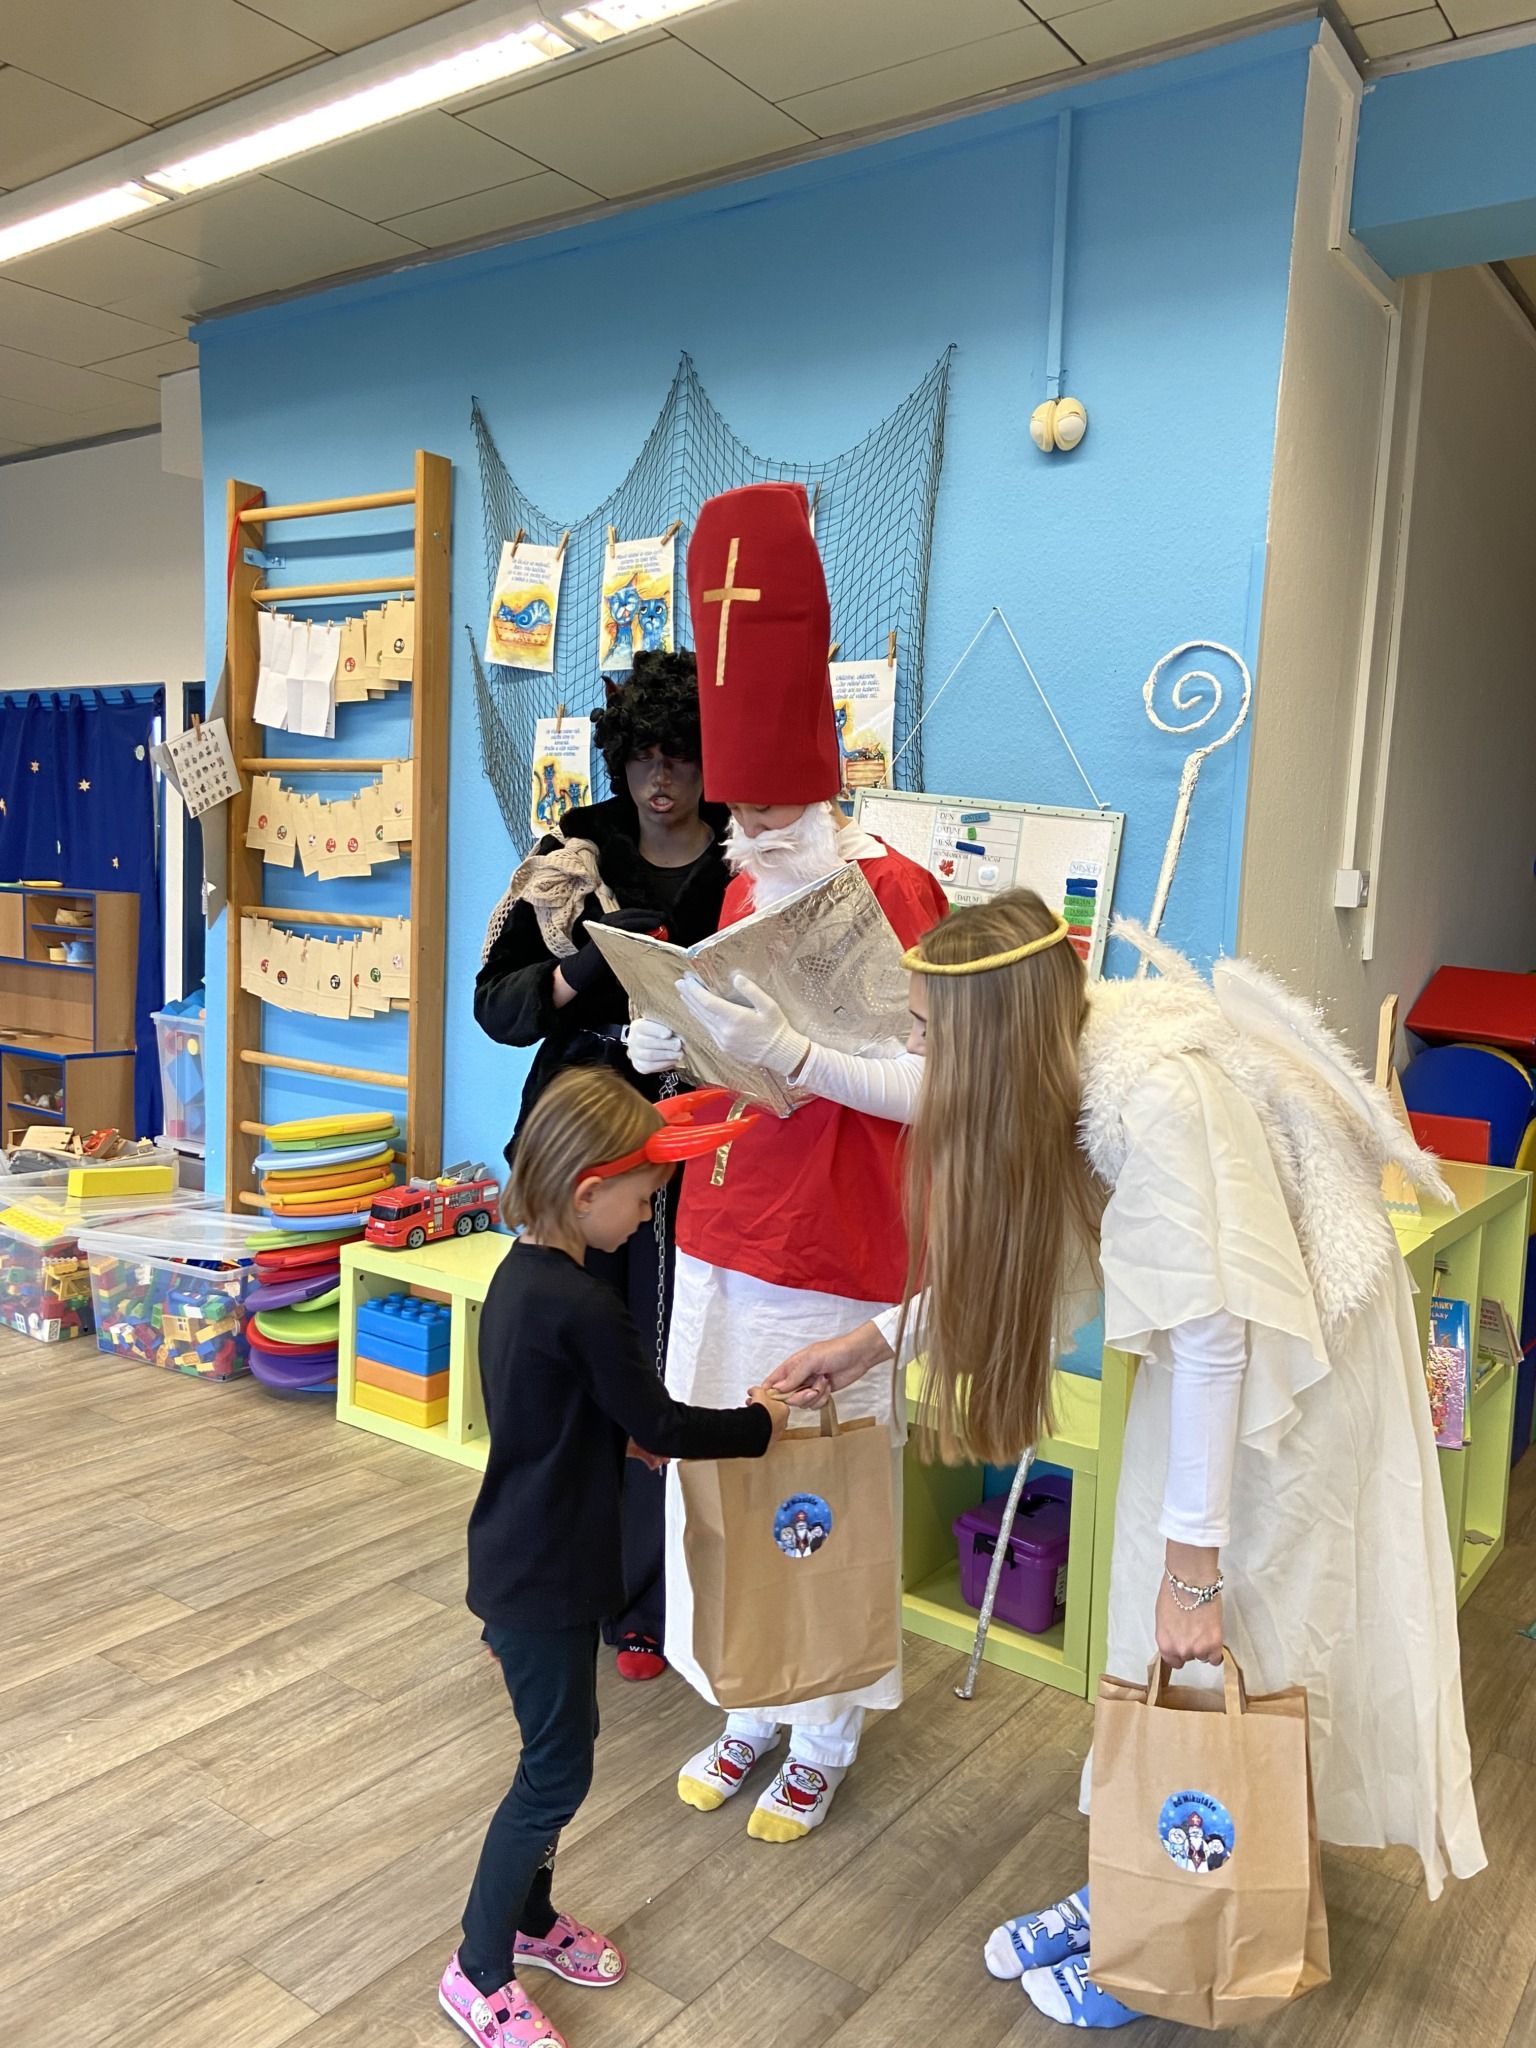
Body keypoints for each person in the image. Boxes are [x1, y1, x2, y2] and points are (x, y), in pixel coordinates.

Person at [765, 889, 1485, 2026]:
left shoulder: (1155, 1095)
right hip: (1215, 1368)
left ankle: (1174, 1933)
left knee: (1228, 1644)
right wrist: (871, 1342)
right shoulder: (1068, 1064)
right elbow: (1047, 1254)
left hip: (1289, 1383)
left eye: (925, 1027)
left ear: (987, 1031)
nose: (914, 1048)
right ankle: (1134, 1887)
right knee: (1162, 1645)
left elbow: (1216, 1334)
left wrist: (1193, 1568)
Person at [626, 481, 947, 1843]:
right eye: (737, 815)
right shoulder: (747, 884)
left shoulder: (902, 892)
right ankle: (746, 1697)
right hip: (722, 1229)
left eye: (770, 813)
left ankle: (823, 1727)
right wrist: (673, 1042)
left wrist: (806, 1059)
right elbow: (737, 1058)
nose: (749, 838)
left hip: (836, 1251)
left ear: (826, 787)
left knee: (815, 1491)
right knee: (719, 1475)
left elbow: (943, 1089)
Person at [440, 1067, 789, 2048]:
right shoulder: (587, 1305)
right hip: (543, 1578)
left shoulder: (519, 1277)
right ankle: (478, 1968)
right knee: (552, 1775)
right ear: (588, 1189)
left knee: (567, 1747)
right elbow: (664, 1423)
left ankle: (531, 1917)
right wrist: (763, 1423)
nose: (646, 1220)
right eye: (642, 1200)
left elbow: (552, 1411)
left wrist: (610, 1437)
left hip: (526, 1555)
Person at [476, 650, 729, 1683]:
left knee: (656, 1372)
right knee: (552, 1374)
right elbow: (498, 1009)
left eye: (683, 756)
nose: (661, 778)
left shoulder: (748, 862)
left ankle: (644, 1603)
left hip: (694, 1152)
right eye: (643, 755)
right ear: (619, 757)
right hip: (578, 1148)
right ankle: (549, 1583)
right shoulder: (570, 857)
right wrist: (584, 967)